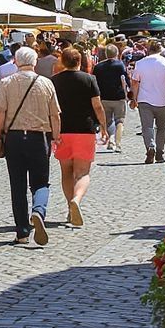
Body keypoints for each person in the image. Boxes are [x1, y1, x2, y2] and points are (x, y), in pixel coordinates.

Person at [0, 47, 60, 247]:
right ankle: (38, 211)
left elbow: (0, 112)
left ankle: (22, 231)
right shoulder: (46, 83)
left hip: (14, 137)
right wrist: (56, 137)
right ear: (35, 62)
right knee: (41, 182)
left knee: (18, 185)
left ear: (15, 61)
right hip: (39, 137)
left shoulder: (6, 83)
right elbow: (55, 114)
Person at [52, 48, 106, 228]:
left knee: (66, 172)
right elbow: (97, 106)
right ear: (79, 62)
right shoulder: (89, 80)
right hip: (85, 130)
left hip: (62, 131)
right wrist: (104, 126)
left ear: (62, 61)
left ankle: (69, 208)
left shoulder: (54, 81)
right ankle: (77, 200)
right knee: (83, 172)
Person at [131, 40, 165, 165]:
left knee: (147, 127)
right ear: (160, 50)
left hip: (144, 99)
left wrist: (134, 98)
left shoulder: (140, 64)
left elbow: (135, 82)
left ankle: (150, 147)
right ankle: (160, 153)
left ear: (148, 50)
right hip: (164, 99)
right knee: (162, 128)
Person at [93, 44, 131, 152]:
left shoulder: (98, 67)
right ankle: (118, 143)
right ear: (117, 53)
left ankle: (111, 140)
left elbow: (94, 82)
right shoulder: (120, 65)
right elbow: (126, 80)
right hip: (118, 97)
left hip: (104, 97)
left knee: (108, 121)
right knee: (120, 120)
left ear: (105, 54)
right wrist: (130, 92)